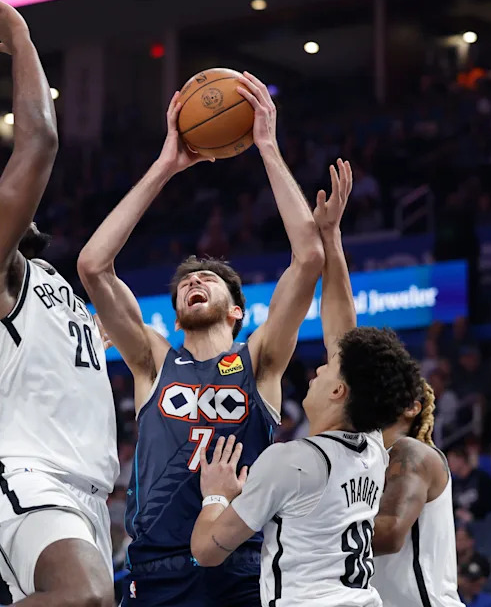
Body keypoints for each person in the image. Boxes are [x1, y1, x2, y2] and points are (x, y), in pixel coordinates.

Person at [78, 73, 325, 606]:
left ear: (237, 310)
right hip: (157, 567)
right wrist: (166, 165)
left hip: (242, 562)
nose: (193, 280)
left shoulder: (259, 361)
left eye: (208, 278)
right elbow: (93, 266)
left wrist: (266, 146)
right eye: (185, 281)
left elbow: (309, 259)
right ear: (174, 312)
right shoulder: (150, 360)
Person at [0, 0, 117, 607]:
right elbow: (39, 143)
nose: (10, 200)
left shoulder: (48, 285)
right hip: (26, 477)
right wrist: (21, 41)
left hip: (87, 491)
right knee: (84, 599)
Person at [187, 161, 421, 606]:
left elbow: (207, 550)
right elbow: (344, 332)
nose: (317, 370)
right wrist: (331, 236)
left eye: (328, 370)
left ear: (339, 392)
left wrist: (215, 494)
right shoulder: (371, 447)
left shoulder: (291, 462)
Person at [367, 381, 460, 606]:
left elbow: (389, 532)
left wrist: (314, 536)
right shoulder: (366, 465)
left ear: (411, 408)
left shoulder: (413, 453)